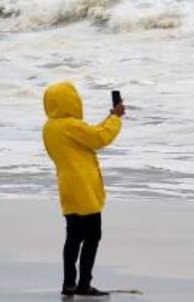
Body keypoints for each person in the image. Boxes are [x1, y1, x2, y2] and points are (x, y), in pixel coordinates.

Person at [42, 81, 124, 298]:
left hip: (67, 187)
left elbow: (89, 135)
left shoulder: (49, 127)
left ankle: (69, 284)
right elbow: (99, 137)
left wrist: (109, 119)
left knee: (73, 237)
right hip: (84, 189)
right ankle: (84, 284)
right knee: (93, 235)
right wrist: (115, 118)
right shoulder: (70, 125)